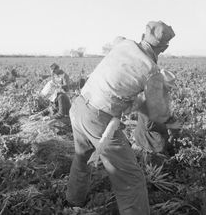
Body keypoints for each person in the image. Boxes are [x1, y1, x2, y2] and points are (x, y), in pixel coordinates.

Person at [66, 20, 176, 215]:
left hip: (78, 106)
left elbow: (118, 39)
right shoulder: (152, 71)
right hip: (98, 119)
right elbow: (158, 113)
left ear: (143, 36)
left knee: (82, 157)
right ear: (165, 47)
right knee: (131, 179)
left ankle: (73, 201)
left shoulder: (125, 44)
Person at [133, 69, 183, 155]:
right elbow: (149, 125)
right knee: (161, 157)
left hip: (149, 135)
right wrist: (171, 125)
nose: (170, 90)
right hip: (147, 139)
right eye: (169, 87)